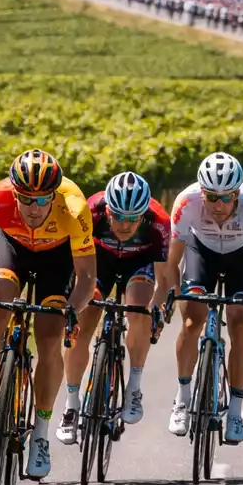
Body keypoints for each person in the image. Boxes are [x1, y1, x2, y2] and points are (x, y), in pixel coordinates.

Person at [0, 150, 98, 481]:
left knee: (49, 338)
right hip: (11, 249)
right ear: (14, 191)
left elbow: (87, 277)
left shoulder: (74, 208)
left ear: (55, 193)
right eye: (26, 198)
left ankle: (41, 435)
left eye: (44, 198)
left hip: (56, 258)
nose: (34, 208)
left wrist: (72, 313)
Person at [57, 171, 176, 444]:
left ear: (143, 214)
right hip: (101, 261)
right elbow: (72, 263)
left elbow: (164, 277)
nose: (125, 224)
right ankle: (71, 405)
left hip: (139, 262)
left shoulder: (158, 222)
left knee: (138, 307)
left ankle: (133, 387)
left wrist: (155, 310)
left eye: (133, 218)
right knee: (85, 317)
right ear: (107, 209)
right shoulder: (90, 211)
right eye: (119, 216)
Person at [165, 152, 243, 445]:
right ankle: (183, 397)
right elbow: (172, 262)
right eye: (212, 197)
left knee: (239, 322)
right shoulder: (186, 202)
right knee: (191, 320)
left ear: (238, 193)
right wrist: (175, 295)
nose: (219, 205)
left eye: (227, 198)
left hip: (240, 258)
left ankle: (235, 411)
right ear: (202, 192)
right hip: (202, 252)